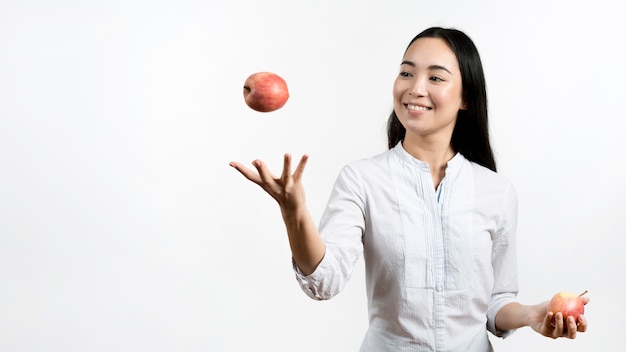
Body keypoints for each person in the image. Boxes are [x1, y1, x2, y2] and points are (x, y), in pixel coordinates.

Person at [229, 26, 589, 351]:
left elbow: (495, 303)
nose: (415, 88)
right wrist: (294, 213)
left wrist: (532, 315)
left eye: (436, 77)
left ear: (466, 97)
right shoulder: (362, 179)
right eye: (406, 72)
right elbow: (324, 281)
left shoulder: (496, 191)